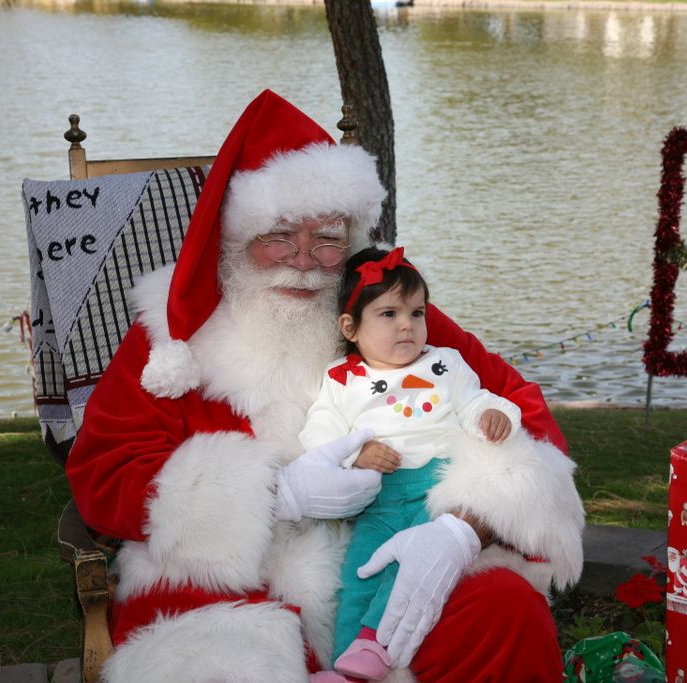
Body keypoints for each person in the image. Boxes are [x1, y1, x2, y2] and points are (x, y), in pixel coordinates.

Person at [65, 89, 584, 683]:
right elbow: (105, 472)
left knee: (505, 612)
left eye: (329, 237)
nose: (306, 259)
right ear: (236, 238)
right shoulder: (172, 334)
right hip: (231, 586)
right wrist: (272, 496)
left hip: (398, 554)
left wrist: (463, 528)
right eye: (280, 235)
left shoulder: (387, 312)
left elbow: (518, 406)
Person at [301, 247, 526, 681]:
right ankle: (344, 665)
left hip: (438, 488)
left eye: (416, 312)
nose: (408, 324)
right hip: (378, 499)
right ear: (351, 327)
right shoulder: (341, 381)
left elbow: (475, 399)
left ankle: (373, 641)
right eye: (388, 314)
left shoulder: (446, 364)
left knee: (412, 567)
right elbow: (319, 435)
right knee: (361, 572)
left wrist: (492, 415)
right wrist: (355, 453)